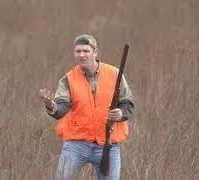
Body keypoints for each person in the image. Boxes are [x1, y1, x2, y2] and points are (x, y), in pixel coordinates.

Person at [39, 34, 135, 180]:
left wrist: (120, 114)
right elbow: (61, 108)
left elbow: (128, 103)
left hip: (108, 144)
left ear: (95, 52)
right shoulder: (68, 79)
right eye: (78, 51)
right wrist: (51, 105)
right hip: (76, 144)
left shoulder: (115, 73)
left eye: (85, 51)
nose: (81, 55)